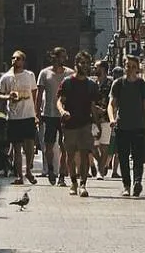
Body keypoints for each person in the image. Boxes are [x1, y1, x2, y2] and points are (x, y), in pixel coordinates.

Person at [57, 51, 100, 197]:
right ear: (76, 64)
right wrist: (62, 111)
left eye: (87, 63)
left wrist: (97, 123)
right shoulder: (67, 82)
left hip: (85, 123)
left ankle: (83, 184)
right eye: (82, 63)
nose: (85, 66)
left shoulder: (91, 85)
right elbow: (60, 101)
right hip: (69, 124)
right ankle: (73, 182)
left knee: (84, 153)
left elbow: (93, 106)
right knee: (70, 155)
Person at [108, 54, 145, 198]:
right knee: (123, 158)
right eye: (128, 66)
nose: (130, 69)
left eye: (133, 66)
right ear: (124, 66)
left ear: (137, 69)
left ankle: (137, 182)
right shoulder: (118, 84)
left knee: (138, 158)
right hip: (122, 126)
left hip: (138, 126)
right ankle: (126, 185)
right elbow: (111, 104)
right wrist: (112, 119)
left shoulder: (143, 85)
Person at [0, 51, 39, 187]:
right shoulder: (6, 77)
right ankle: (19, 175)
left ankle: (28, 171)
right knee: (16, 147)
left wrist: (36, 112)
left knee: (29, 146)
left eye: (18, 58)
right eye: (13, 57)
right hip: (14, 116)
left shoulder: (29, 75)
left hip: (28, 115)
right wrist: (8, 97)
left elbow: (34, 93)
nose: (15, 60)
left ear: (23, 61)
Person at [35, 48, 72, 185]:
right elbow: (39, 95)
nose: (59, 59)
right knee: (48, 145)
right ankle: (50, 169)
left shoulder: (70, 73)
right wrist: (37, 114)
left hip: (64, 114)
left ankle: (62, 175)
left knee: (64, 146)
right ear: (52, 57)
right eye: (57, 57)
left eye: (62, 57)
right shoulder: (45, 73)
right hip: (49, 113)